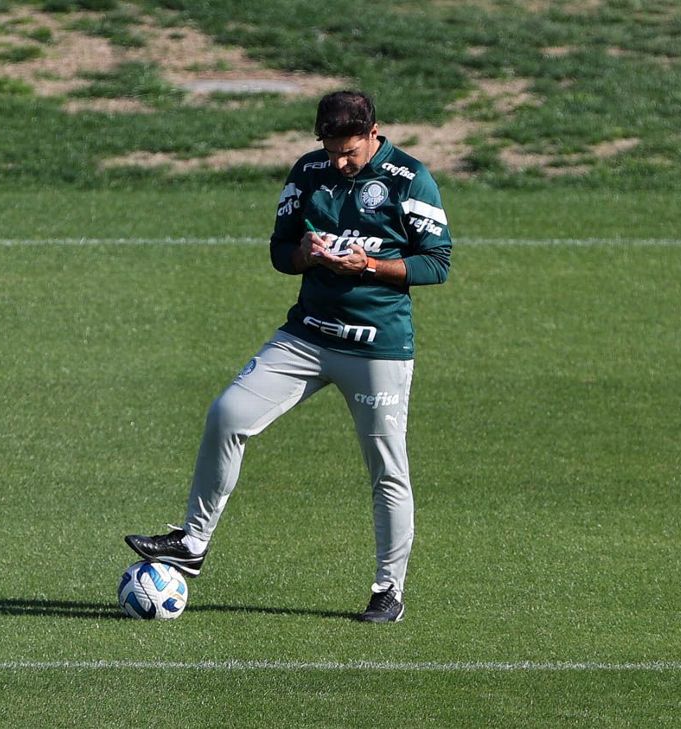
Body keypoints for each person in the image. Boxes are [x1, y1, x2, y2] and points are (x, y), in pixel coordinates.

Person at [125, 91, 452, 623]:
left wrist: (368, 266)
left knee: (387, 469)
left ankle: (389, 590)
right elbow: (280, 249)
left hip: (378, 348)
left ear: (374, 133)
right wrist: (304, 255)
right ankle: (193, 542)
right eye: (331, 150)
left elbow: (436, 264)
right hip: (305, 338)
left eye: (350, 153)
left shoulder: (409, 178)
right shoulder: (308, 172)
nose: (340, 162)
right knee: (227, 414)